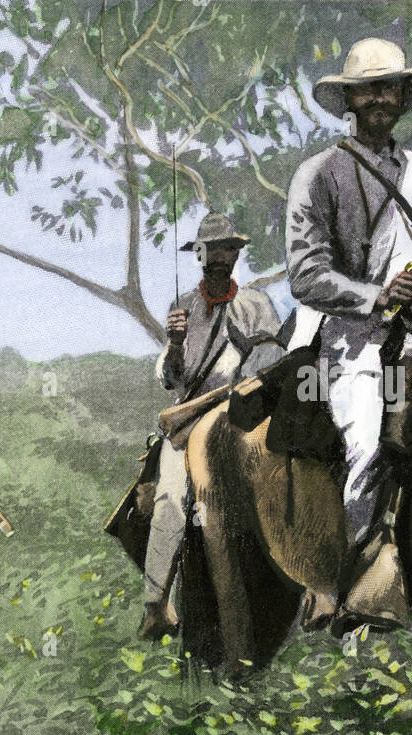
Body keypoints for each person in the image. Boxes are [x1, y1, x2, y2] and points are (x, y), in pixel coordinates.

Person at [284, 37, 412, 633]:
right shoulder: (319, 174)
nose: (382, 98)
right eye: (370, 88)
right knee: (365, 447)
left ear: (401, 97)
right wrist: (375, 295)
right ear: (352, 100)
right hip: (357, 339)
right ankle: (362, 593)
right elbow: (305, 276)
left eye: (390, 87)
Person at [137, 212, 284, 640]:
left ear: (237, 255)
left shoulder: (258, 307)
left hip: (245, 416)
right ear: (199, 255)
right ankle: (155, 604)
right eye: (211, 249)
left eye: (227, 249)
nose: (219, 257)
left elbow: (275, 362)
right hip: (189, 422)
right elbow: (169, 380)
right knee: (169, 498)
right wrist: (175, 343)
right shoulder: (181, 306)